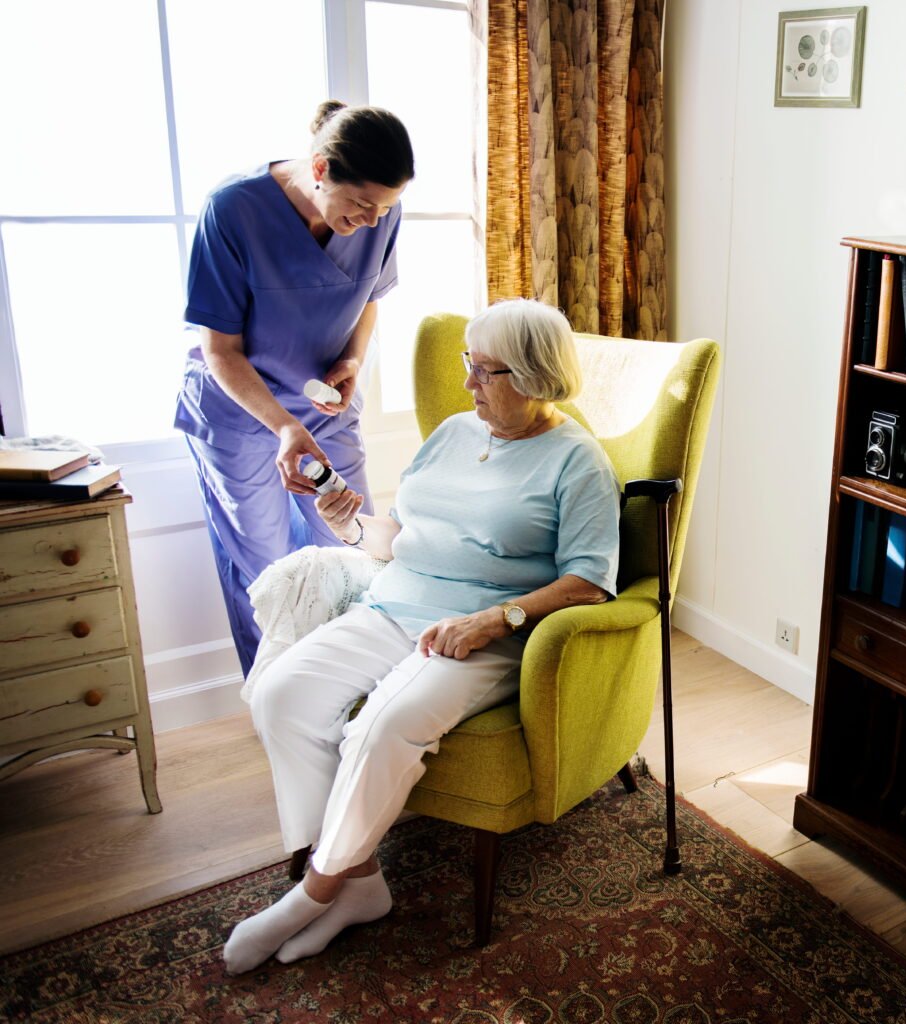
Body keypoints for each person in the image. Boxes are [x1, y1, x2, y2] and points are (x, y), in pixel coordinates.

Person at [222, 298, 622, 973]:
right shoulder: (452, 435)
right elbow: (403, 539)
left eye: (483, 371)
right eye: (469, 365)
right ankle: (360, 885)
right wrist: (346, 522)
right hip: (393, 603)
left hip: (481, 634)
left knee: (384, 726)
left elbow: (590, 580)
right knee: (281, 695)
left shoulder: (575, 463)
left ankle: (312, 894)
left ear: (529, 375)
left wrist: (494, 620)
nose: (467, 384)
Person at [174, 102, 415, 677]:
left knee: (359, 546)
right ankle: (281, 702)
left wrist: (354, 358)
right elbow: (219, 351)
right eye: (361, 205)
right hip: (241, 411)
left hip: (325, 405)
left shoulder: (379, 214)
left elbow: (370, 300)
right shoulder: (233, 211)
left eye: (386, 208)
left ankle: (359, 688)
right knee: (265, 564)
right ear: (320, 167)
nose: (373, 221)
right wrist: (284, 426)